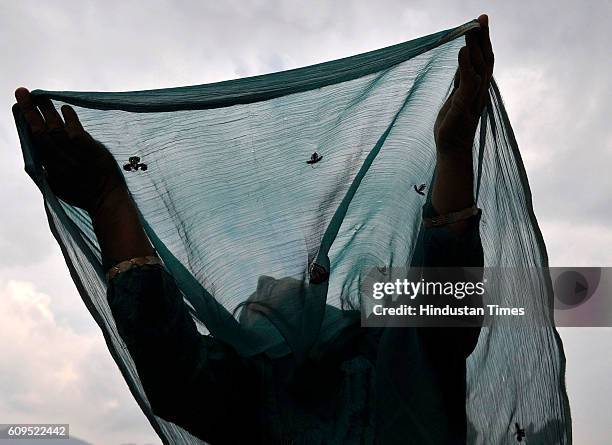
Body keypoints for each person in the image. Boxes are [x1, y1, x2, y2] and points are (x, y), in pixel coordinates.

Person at [14, 14, 494, 444]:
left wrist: (453, 150)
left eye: (279, 298)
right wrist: (107, 200)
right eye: (259, 310)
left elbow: (450, 302)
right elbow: (172, 365)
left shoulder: (400, 353)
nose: (271, 291)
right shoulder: (253, 395)